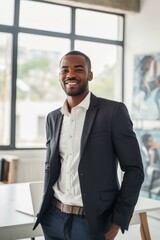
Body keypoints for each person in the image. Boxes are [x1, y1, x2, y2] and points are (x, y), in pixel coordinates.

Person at [33, 50, 144, 240]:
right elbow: (50, 166)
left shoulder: (113, 112)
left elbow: (134, 170)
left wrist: (118, 220)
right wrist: (45, 211)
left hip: (91, 223)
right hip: (53, 218)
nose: (70, 75)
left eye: (78, 69)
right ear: (60, 76)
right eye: (65, 70)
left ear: (90, 75)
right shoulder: (53, 118)